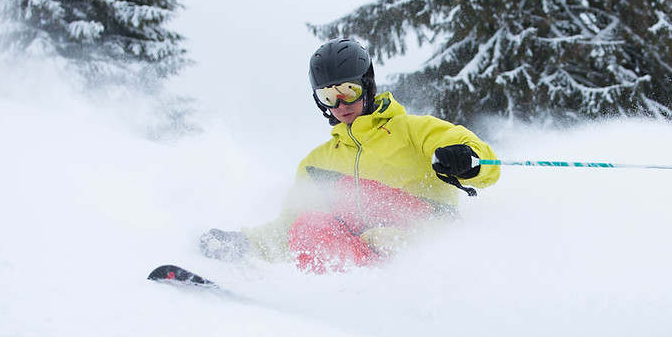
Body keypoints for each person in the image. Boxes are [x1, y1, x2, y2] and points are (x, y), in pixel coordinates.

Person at [200, 38, 500, 273]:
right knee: (309, 225)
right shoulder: (318, 163)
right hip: (365, 264)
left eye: (348, 90)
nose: (340, 104)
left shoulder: (412, 130)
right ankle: (347, 298)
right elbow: (290, 227)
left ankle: (392, 291)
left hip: (425, 248)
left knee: (382, 232)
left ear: (367, 86)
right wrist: (245, 244)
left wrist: (466, 159)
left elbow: (483, 160)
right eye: (328, 96)